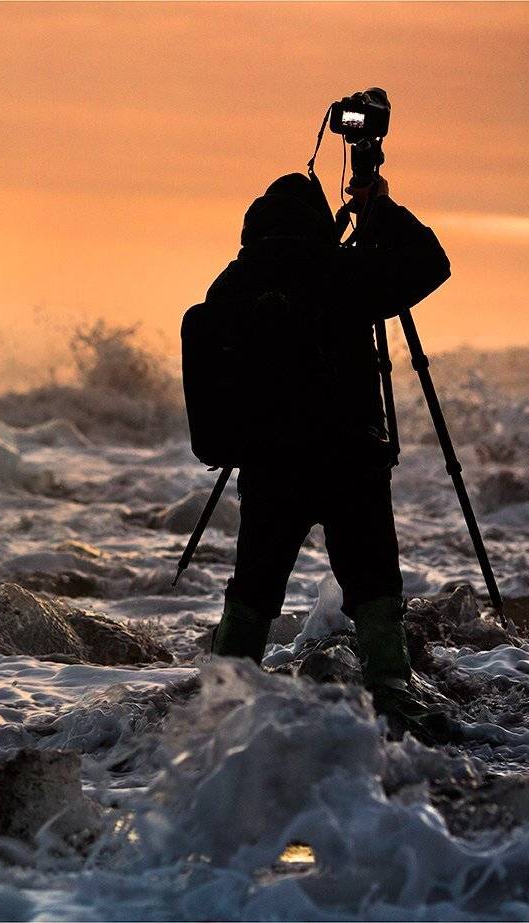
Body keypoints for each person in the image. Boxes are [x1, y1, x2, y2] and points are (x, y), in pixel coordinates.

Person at [187, 169, 452, 738]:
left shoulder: (233, 281)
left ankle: (223, 701)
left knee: (255, 586)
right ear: (317, 222)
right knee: (373, 581)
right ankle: (393, 692)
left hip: (268, 463)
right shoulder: (344, 272)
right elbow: (432, 264)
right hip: (348, 461)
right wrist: (379, 210)